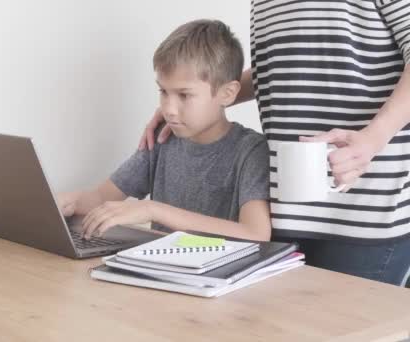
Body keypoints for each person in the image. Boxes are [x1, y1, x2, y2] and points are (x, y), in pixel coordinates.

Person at [140, 1, 410, 286]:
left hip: (367, 214)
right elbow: (283, 67)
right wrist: (192, 102)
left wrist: (373, 139)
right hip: (288, 211)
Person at [57, 19, 272, 241]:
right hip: (157, 268)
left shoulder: (251, 151)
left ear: (227, 93)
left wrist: (153, 209)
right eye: (163, 91)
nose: (168, 109)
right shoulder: (163, 138)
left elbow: (256, 233)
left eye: (184, 95)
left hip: (217, 272)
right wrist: (60, 202)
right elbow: (101, 196)